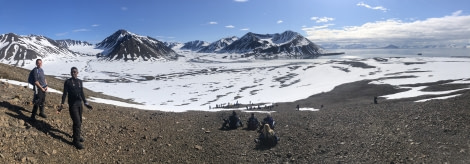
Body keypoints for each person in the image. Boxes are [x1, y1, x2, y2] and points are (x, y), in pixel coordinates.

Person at [57, 67, 93, 149]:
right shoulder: (68, 82)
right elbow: (64, 94)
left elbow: (82, 93)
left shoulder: (80, 82)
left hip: (79, 104)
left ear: (77, 73)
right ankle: (75, 141)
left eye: (75, 72)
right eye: (72, 72)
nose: (73, 73)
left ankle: (76, 135)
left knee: (79, 120)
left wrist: (86, 103)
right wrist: (62, 104)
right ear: (70, 73)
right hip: (72, 105)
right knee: (77, 122)